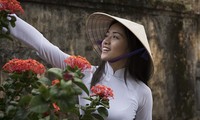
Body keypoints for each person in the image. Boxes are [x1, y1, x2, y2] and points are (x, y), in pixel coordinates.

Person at [9, 12, 154, 120]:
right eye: (106, 35)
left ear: (131, 48)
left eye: (115, 37)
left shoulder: (142, 92)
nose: (106, 41)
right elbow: (42, 45)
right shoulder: (85, 72)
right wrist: (6, 15)